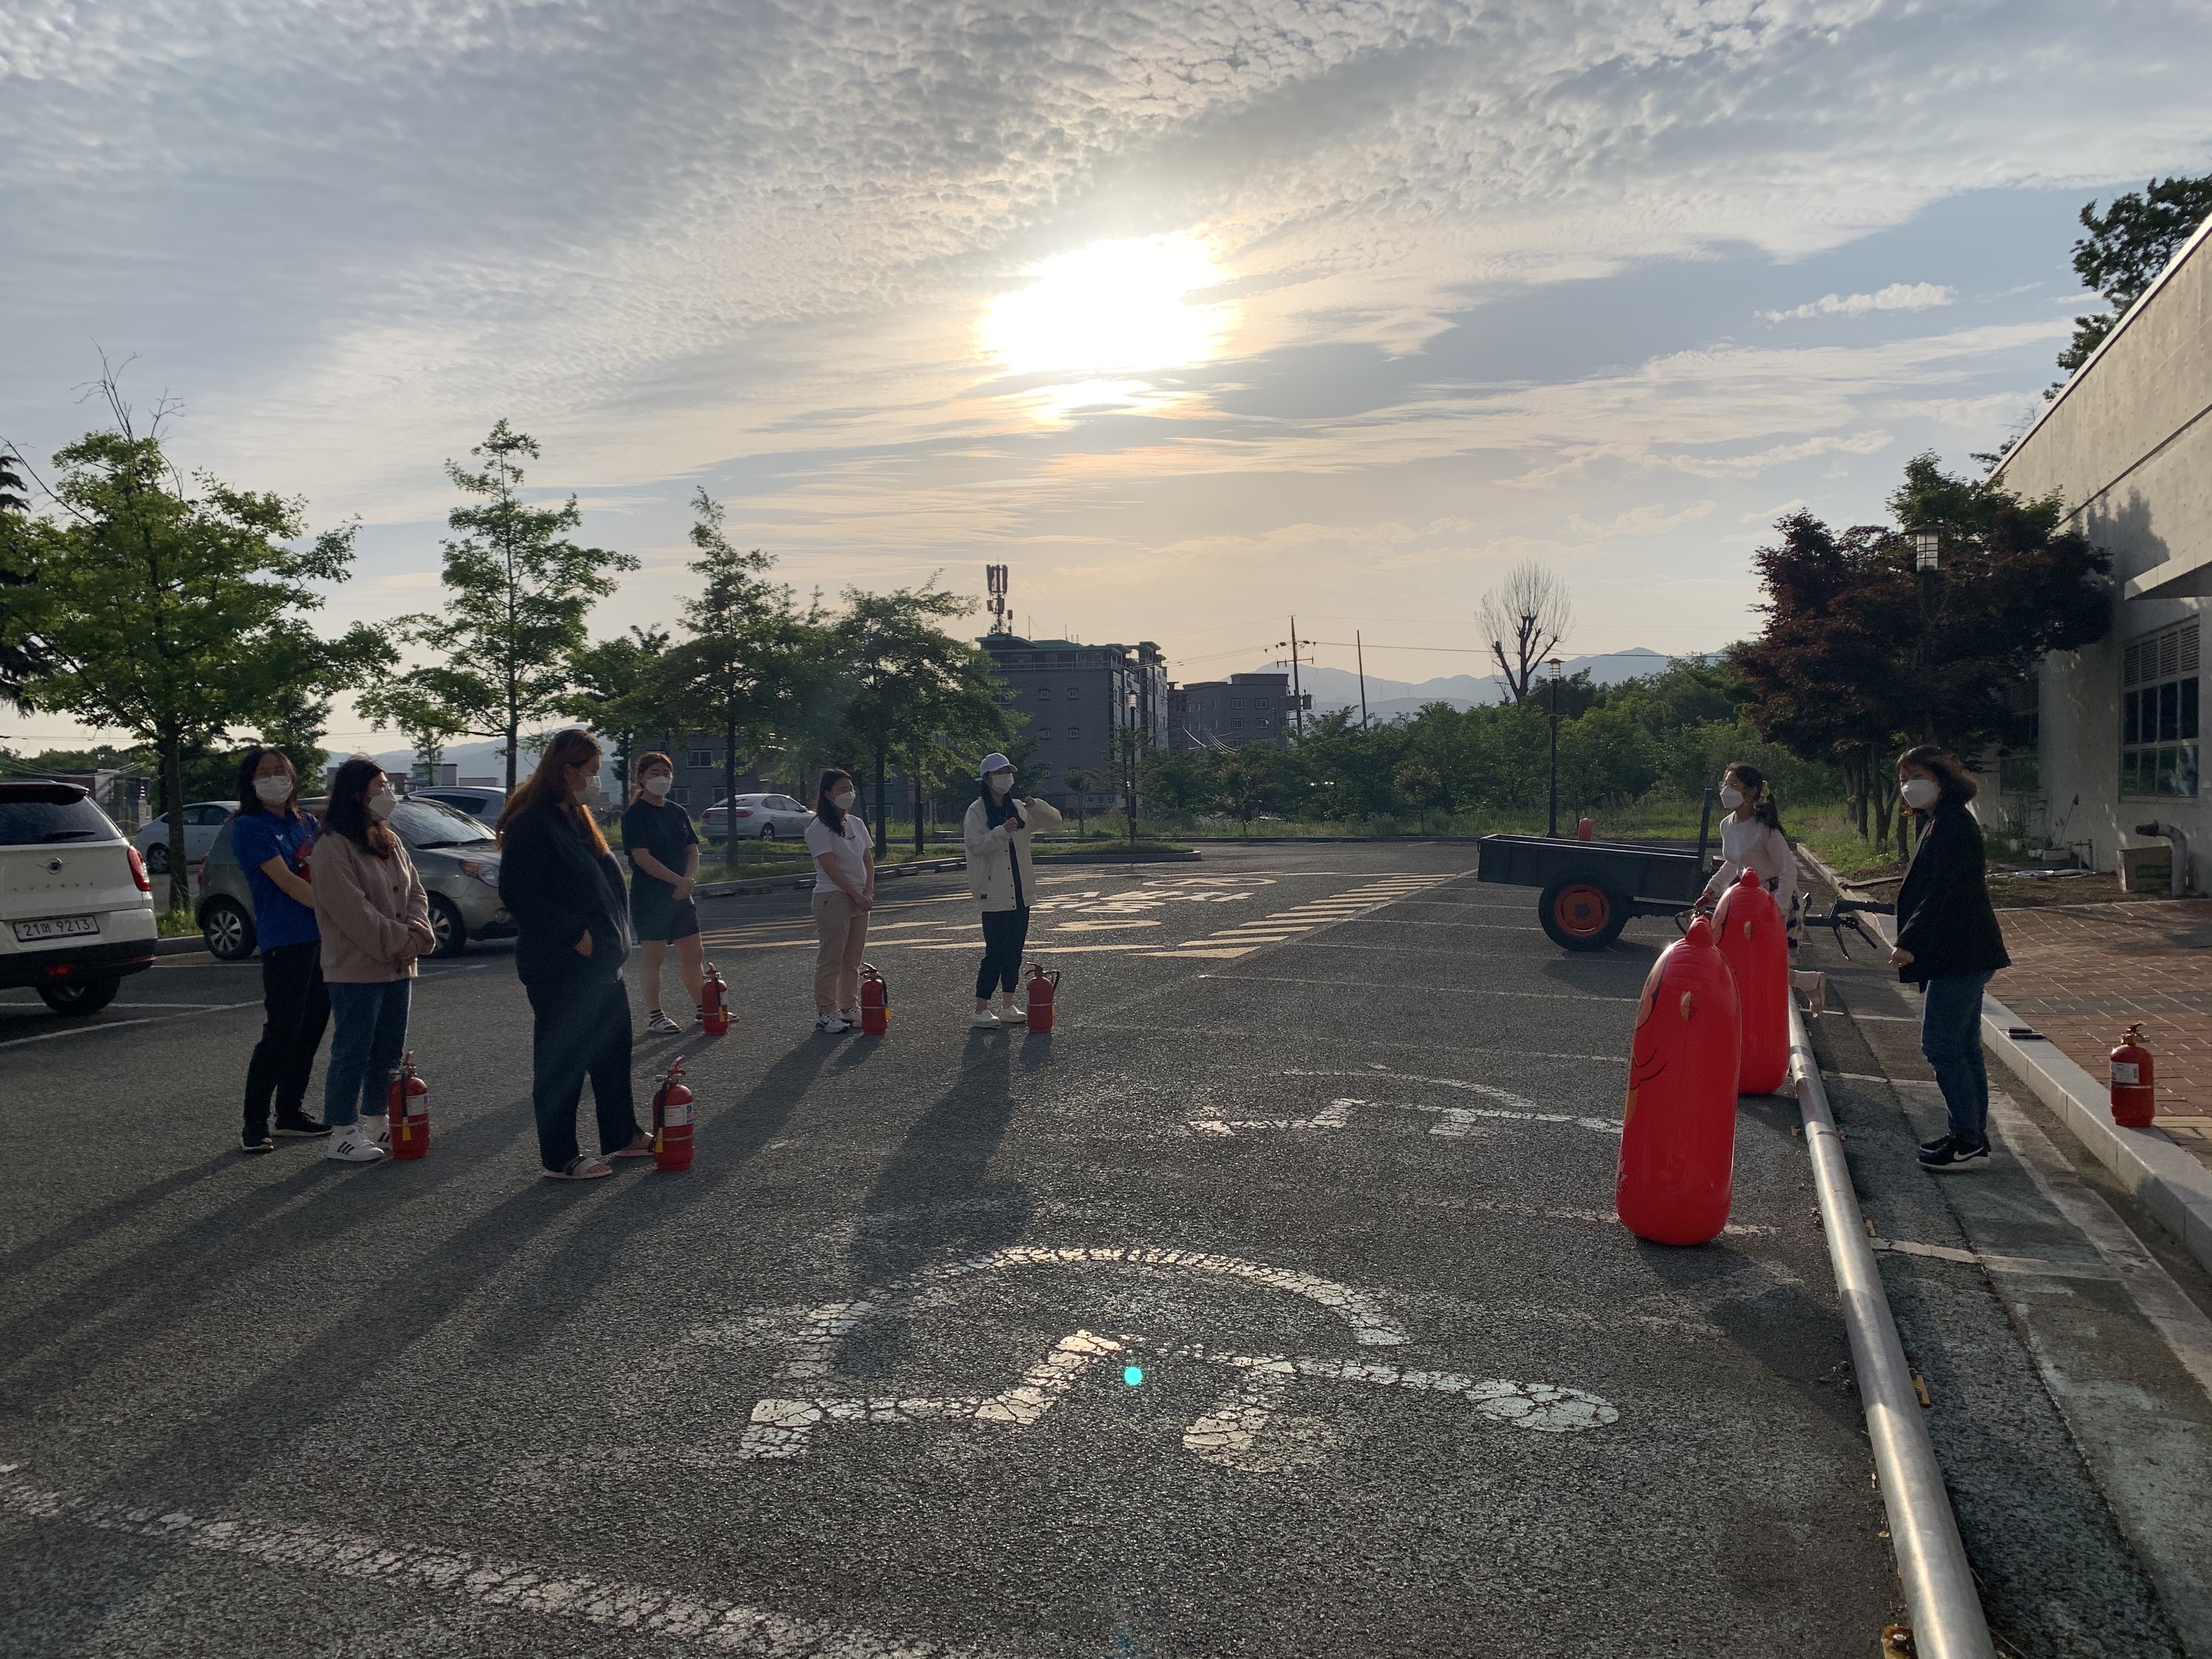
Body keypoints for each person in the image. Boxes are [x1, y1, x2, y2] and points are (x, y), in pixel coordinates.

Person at [497, 730, 651, 1180]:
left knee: (612, 1053)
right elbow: (519, 893)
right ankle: (560, 1156)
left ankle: (623, 1134)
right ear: (567, 771)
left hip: (603, 963)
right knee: (562, 1061)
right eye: (592, 772)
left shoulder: (576, 818)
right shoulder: (532, 823)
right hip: (562, 964)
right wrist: (574, 934)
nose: (596, 781)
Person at [1890, 745, 2011, 1171]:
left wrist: (1910, 941)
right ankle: (1970, 1135)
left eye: (1918, 776)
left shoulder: (1953, 824)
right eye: (1903, 778)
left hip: (1961, 951)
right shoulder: (1939, 820)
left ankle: (1968, 1139)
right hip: (1963, 950)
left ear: (1942, 777)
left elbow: (1945, 891)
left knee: (1941, 1044)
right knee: (1963, 1045)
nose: (1909, 785)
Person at [312, 757, 437, 1165]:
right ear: (356, 793)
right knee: (353, 1049)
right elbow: (353, 912)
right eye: (381, 787)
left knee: (388, 1049)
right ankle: (342, 1131)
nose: (389, 794)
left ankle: (376, 1118)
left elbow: (415, 891)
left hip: (397, 965)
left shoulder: (389, 838)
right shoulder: (332, 846)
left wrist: (417, 936)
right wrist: (402, 941)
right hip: (356, 966)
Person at [232, 747, 332, 1153]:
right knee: (282, 1030)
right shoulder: (249, 827)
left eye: (281, 770)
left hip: (321, 937)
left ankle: (290, 1112)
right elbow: (287, 881)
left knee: (312, 1027)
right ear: (251, 782)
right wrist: (335, 909)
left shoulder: (306, 822)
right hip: (285, 940)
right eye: (264, 773)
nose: (275, 778)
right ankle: (254, 1123)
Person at [962, 753, 1061, 1028]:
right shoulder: (977, 811)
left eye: (1009, 772)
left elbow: (1055, 822)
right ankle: (981, 1008)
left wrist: (1038, 806)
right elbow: (975, 845)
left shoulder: (1018, 807)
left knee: (1014, 952)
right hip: (993, 893)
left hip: (1021, 891)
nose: (1006, 778)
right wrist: (1002, 831)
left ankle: (1008, 1005)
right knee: (995, 952)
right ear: (987, 779)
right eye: (1000, 773)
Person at [620, 752, 704, 1035]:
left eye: (666, 773)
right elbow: (642, 858)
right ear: (641, 778)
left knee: (694, 954)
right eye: (654, 773)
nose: (662, 778)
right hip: (651, 897)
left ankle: (704, 1008)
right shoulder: (635, 815)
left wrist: (687, 881)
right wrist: (677, 881)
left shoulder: (677, 812)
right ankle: (656, 1016)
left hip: (681, 895)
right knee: (654, 958)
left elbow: (692, 850)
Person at [1695, 762, 1799, 944]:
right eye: (1725, 785)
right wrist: (1712, 889)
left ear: (1751, 792)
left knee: (1773, 957)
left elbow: (1788, 871)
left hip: (1775, 899)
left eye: (1733, 785)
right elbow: (1734, 862)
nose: (1726, 791)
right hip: (1747, 897)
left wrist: (1778, 909)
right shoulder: (1726, 825)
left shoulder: (1765, 828)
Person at [805, 768, 874, 1033]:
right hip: (833, 897)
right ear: (828, 794)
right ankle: (826, 1012)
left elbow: (867, 860)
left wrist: (868, 891)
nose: (849, 794)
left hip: (860, 898)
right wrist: (855, 894)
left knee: (852, 960)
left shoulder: (856, 823)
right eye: (843, 790)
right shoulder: (819, 827)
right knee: (831, 959)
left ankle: (848, 1007)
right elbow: (831, 867)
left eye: (851, 789)